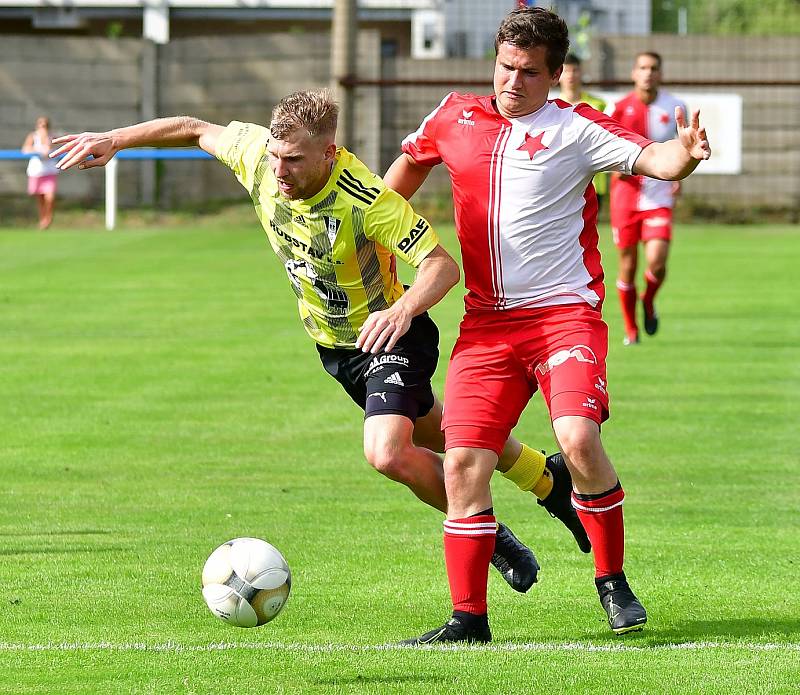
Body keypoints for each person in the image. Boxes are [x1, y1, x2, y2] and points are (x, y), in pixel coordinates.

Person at [50, 89, 590, 599]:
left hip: (392, 336)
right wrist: (114, 139)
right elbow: (194, 129)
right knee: (442, 431)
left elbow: (440, 265)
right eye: (277, 157)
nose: (279, 172)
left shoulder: (366, 199)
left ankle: (484, 533)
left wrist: (401, 308)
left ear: (329, 153)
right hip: (335, 348)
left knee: (388, 453)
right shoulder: (258, 156)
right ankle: (548, 480)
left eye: (295, 161)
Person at [385, 7, 709, 643]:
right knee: (461, 464)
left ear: (555, 75)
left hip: (564, 317)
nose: (512, 82)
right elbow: (399, 182)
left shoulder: (578, 128)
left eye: (529, 73)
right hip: (486, 325)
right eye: (505, 67)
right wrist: (375, 240)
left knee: (578, 438)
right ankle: (468, 620)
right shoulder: (453, 114)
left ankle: (611, 579)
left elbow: (658, 162)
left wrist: (686, 155)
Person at [610, 52, 688, 345]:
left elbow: (684, 148)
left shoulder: (675, 106)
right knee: (628, 265)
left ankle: (649, 299)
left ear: (660, 73)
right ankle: (631, 329)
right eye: (642, 68)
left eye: (653, 68)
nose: (647, 73)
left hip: (658, 194)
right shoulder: (618, 108)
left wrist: (679, 176)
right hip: (626, 196)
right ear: (634, 73)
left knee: (656, 260)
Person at [558, 52, 609, 211]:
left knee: (589, 231)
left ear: (581, 73)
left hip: (594, 180)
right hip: (562, 180)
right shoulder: (552, 107)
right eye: (567, 71)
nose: (571, 75)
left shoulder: (598, 104)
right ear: (558, 74)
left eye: (575, 70)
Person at [22, 116, 59, 229]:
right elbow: (25, 149)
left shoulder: (52, 137)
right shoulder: (32, 136)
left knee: (50, 197)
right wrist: (37, 150)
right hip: (36, 171)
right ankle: (43, 219)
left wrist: (48, 145)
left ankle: (48, 217)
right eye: (40, 124)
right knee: (40, 198)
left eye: (45, 125)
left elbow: (57, 148)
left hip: (49, 171)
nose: (42, 127)